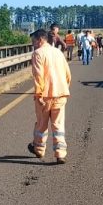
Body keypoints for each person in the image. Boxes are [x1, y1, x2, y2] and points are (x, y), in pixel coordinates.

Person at [26, 28, 71, 164]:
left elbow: (38, 76)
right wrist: (64, 88)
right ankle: (60, 154)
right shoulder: (58, 52)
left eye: (33, 41)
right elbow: (67, 74)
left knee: (42, 124)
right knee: (58, 125)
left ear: (40, 40)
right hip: (61, 94)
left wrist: (39, 94)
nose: (32, 44)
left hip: (45, 96)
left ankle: (39, 149)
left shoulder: (37, 53)